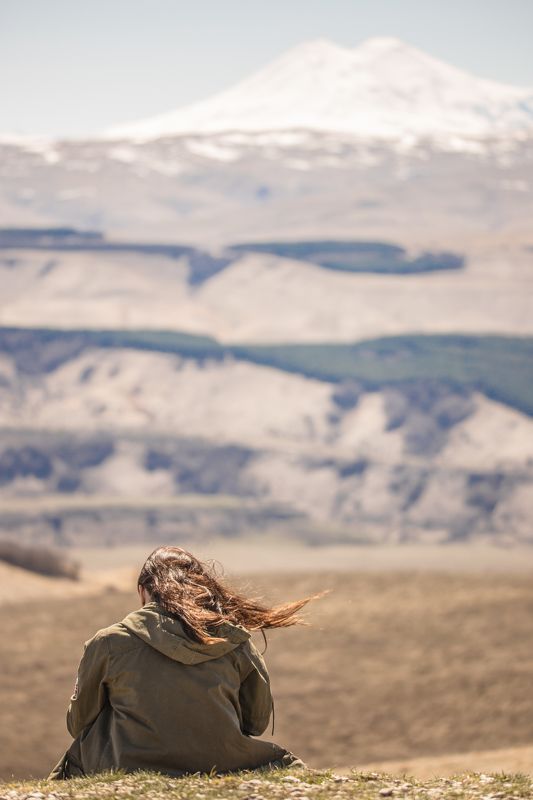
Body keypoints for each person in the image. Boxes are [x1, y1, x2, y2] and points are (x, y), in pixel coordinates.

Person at [49, 545, 322, 779]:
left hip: (127, 766)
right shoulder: (236, 640)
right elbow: (256, 722)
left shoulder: (108, 642)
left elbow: (78, 724)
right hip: (223, 762)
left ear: (142, 591)